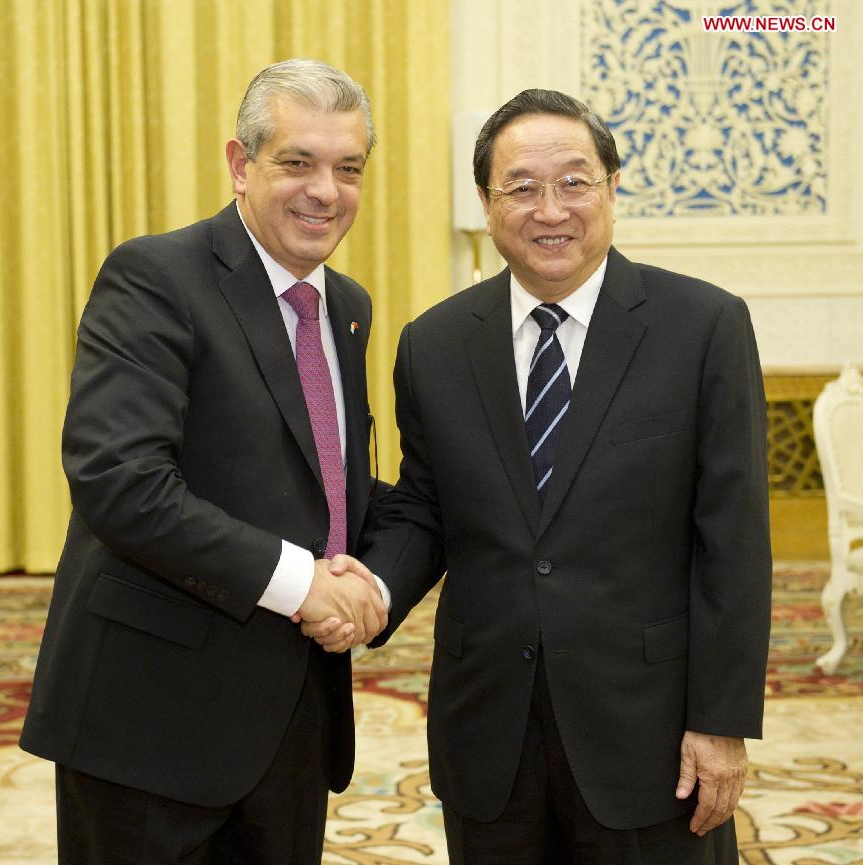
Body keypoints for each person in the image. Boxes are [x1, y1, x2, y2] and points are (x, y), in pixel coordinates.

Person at [306, 89, 772, 864]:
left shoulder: (703, 328)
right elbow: (425, 509)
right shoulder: (436, 344)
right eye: (520, 187)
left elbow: (734, 538)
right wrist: (371, 592)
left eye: (574, 182)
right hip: (489, 729)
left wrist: (720, 722)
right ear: (487, 207)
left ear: (613, 189)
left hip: (649, 734)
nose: (549, 208)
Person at [20, 59, 388, 865]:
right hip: (149, 720)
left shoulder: (348, 307)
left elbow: (330, 483)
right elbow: (121, 482)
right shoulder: (158, 276)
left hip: (291, 714)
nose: (325, 190)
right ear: (239, 163)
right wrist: (304, 584)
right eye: (297, 162)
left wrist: (379, 576)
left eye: (348, 168)